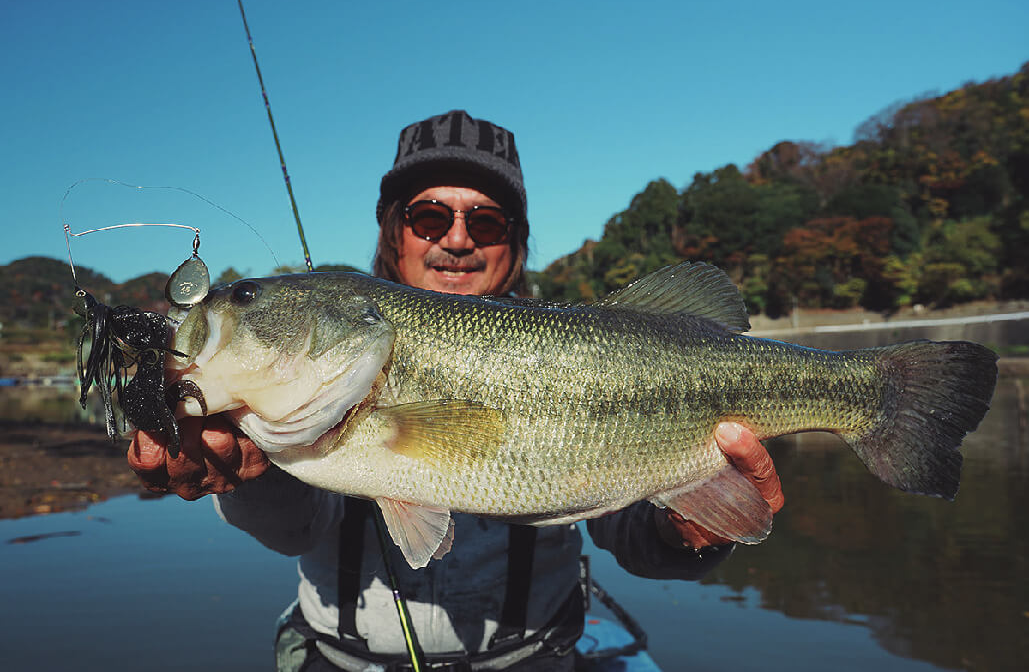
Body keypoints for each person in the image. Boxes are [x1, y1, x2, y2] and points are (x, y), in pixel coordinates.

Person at [128, 109, 784, 671]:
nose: (459, 240)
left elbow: (639, 541)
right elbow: (297, 528)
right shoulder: (308, 378)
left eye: (488, 222)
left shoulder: (581, 353)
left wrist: (693, 527)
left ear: (515, 241)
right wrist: (253, 474)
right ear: (394, 231)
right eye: (430, 216)